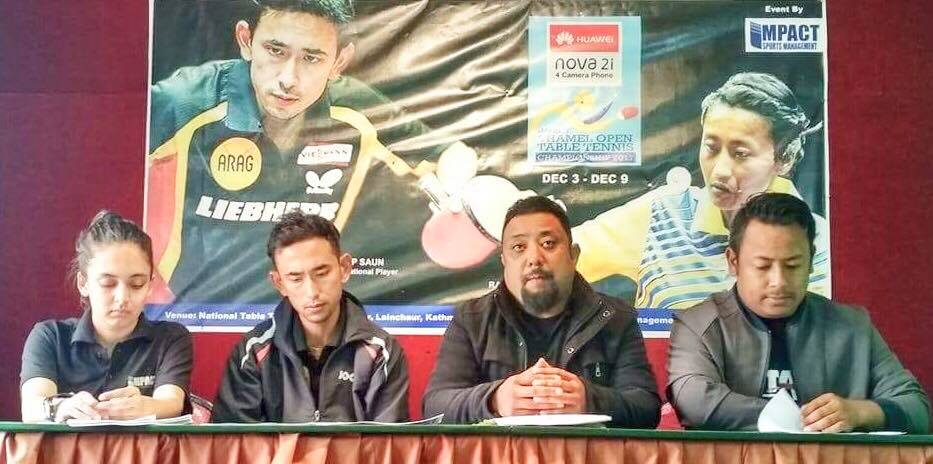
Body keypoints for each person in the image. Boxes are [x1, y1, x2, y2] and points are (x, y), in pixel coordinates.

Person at [147, 0, 477, 307]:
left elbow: (452, 153)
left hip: (306, 312)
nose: (288, 79)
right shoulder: (182, 103)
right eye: (275, 50)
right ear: (246, 41)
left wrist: (454, 190)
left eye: (311, 58)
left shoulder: (355, 108)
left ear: (339, 62)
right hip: (194, 314)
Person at [667, 193, 930, 433]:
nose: (779, 281)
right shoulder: (699, 325)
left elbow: (917, 409)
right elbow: (694, 400)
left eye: (792, 265)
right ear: (733, 262)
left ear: (811, 260)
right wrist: (801, 420)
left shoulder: (852, 327)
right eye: (763, 266)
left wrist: (860, 413)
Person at [573, 72, 828, 310]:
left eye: (740, 153)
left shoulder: (822, 243)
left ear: (785, 158)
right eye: (711, 148)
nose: (720, 170)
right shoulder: (660, 215)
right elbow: (560, 259)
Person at [423, 196, 661, 426]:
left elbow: (646, 407)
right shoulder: (471, 319)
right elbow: (435, 406)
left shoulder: (615, 318)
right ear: (504, 261)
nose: (534, 258)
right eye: (519, 247)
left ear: (573, 255)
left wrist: (590, 399)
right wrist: (495, 399)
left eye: (548, 243)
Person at [211, 211, 410, 422]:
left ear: (344, 268)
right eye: (296, 278)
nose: (312, 291)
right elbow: (237, 439)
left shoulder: (381, 352)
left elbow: (388, 440)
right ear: (279, 283)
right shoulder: (253, 351)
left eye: (322, 273)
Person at [20, 211, 192, 423]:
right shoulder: (49, 337)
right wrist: (61, 407)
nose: (122, 297)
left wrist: (145, 406)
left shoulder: (170, 338)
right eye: (108, 284)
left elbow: (171, 404)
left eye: (136, 284)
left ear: (150, 285)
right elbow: (32, 408)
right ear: (83, 283)